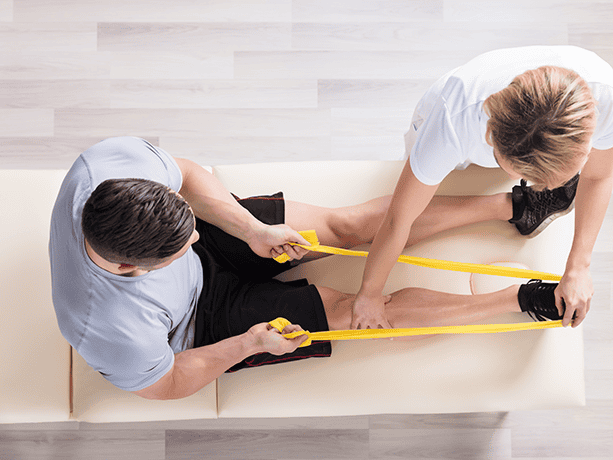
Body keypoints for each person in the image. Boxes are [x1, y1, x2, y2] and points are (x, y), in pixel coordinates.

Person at [50, 136, 564, 401]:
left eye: (191, 231)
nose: (197, 242)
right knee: (358, 313)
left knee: (346, 226)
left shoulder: (111, 166)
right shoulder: (106, 328)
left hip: (219, 238)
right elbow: (165, 383)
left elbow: (183, 174)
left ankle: (515, 206)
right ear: (128, 268)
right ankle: (521, 301)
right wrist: (249, 345)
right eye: (182, 247)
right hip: (200, 322)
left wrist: (250, 229)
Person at [351, 45, 613, 331]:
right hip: (448, 129)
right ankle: (520, 205)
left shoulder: (608, 100)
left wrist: (579, 267)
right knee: (399, 209)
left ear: (586, 147)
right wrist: (369, 293)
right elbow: (399, 218)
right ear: (490, 137)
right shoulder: (450, 126)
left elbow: (598, 177)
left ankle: (521, 205)